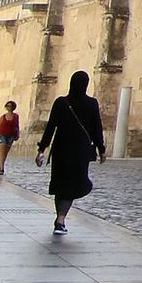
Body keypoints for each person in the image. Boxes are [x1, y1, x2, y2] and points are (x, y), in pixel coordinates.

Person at [36, 72, 105, 235]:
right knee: (74, 183)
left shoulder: (61, 102)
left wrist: (41, 150)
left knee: (61, 184)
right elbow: (97, 128)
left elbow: (50, 127)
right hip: (80, 151)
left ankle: (60, 219)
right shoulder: (91, 103)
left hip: (61, 149)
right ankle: (61, 219)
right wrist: (101, 149)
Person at [0, 100, 20, 176]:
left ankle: (0, 166)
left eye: (11, 106)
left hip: (11, 136)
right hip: (2, 135)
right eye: (8, 106)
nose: (9, 107)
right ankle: (2, 168)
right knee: (2, 152)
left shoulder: (16, 116)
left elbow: (17, 126)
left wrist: (17, 134)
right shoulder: (3, 117)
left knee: (5, 153)